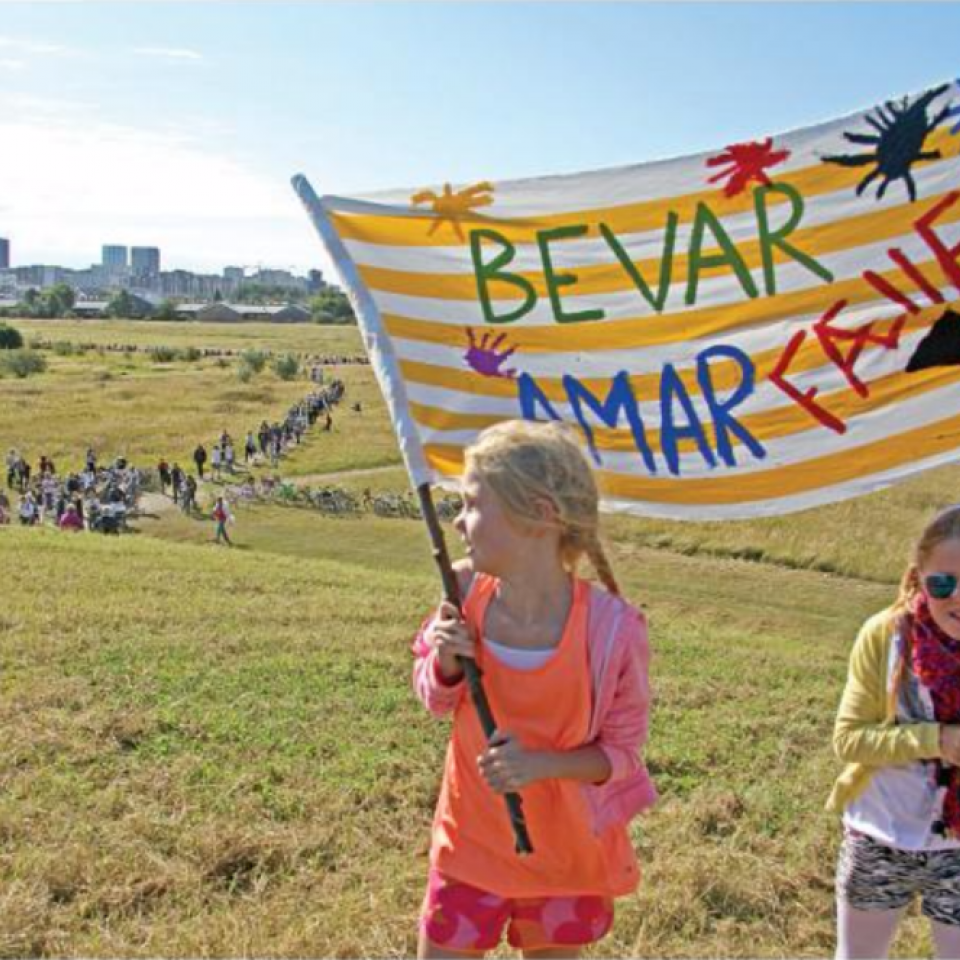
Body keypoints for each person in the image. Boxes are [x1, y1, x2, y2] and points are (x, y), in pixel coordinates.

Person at [411, 420, 656, 959]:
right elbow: (432, 696)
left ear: (539, 515)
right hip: (468, 847)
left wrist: (542, 765)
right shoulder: (463, 591)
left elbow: (621, 755)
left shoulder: (612, 631)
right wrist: (447, 662)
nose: (457, 520)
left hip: (564, 861)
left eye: (473, 504)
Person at [830, 505, 960, 959]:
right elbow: (848, 740)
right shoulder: (885, 636)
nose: (957, 598)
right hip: (879, 833)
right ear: (917, 576)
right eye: (943, 583)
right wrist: (937, 741)